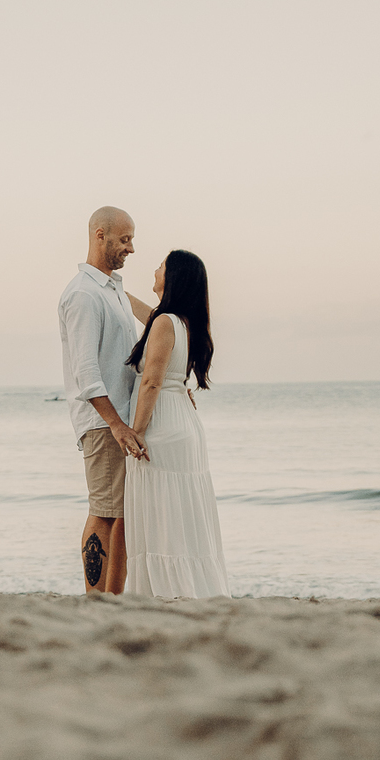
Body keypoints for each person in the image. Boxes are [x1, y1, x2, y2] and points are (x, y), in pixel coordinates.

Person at [58, 208, 154, 594]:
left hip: (120, 421)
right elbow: (86, 372)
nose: (131, 248)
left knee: (122, 515)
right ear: (100, 235)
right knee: (104, 513)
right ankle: (95, 600)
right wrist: (115, 424)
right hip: (102, 424)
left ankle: (112, 599)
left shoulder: (111, 290)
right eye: (124, 239)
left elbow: (152, 326)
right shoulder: (82, 295)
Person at [124, 250, 230, 599]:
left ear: (173, 278)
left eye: (161, 266)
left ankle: (168, 591)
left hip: (163, 424)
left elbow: (151, 381)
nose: (155, 269)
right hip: (184, 421)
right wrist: (114, 291)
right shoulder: (182, 322)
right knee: (182, 514)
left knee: (163, 515)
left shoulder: (165, 322)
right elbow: (145, 314)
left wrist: (135, 430)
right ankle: (192, 588)